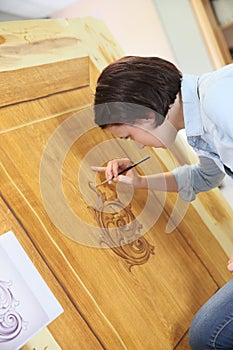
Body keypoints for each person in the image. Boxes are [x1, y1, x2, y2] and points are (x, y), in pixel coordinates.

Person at [92, 56, 233, 349]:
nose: (140, 145)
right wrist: (141, 182)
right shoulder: (200, 129)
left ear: (144, 114)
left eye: (129, 136)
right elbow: (202, 177)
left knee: (210, 335)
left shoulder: (218, 99)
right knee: (207, 333)